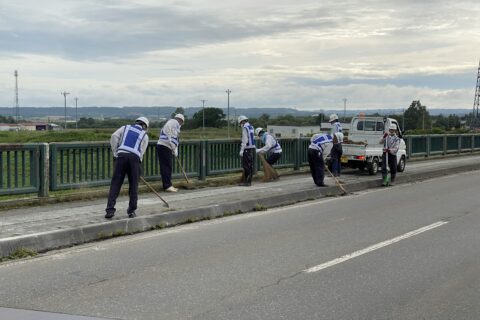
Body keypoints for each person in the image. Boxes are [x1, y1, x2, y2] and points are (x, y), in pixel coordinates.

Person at [105, 117, 149, 219]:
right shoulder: (144, 135)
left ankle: (110, 210)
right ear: (145, 126)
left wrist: (116, 152)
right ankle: (131, 211)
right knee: (133, 185)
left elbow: (114, 136)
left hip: (121, 156)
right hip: (134, 158)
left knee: (115, 184)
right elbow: (141, 152)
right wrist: (138, 164)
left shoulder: (125, 127)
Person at [156, 114, 184, 192]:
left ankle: (168, 184)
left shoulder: (176, 127)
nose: (181, 124)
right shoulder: (173, 122)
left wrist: (175, 150)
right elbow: (168, 131)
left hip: (165, 147)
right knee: (166, 167)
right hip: (165, 146)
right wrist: (170, 142)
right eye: (182, 123)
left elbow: (175, 140)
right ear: (180, 120)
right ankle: (167, 186)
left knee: (166, 166)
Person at [238, 115, 256, 186]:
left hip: (246, 148)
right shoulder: (251, 127)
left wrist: (242, 150)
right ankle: (249, 181)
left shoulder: (245, 128)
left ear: (242, 121)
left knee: (246, 166)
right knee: (250, 165)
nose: (240, 125)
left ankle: (247, 182)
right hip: (251, 148)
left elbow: (245, 140)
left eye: (240, 123)